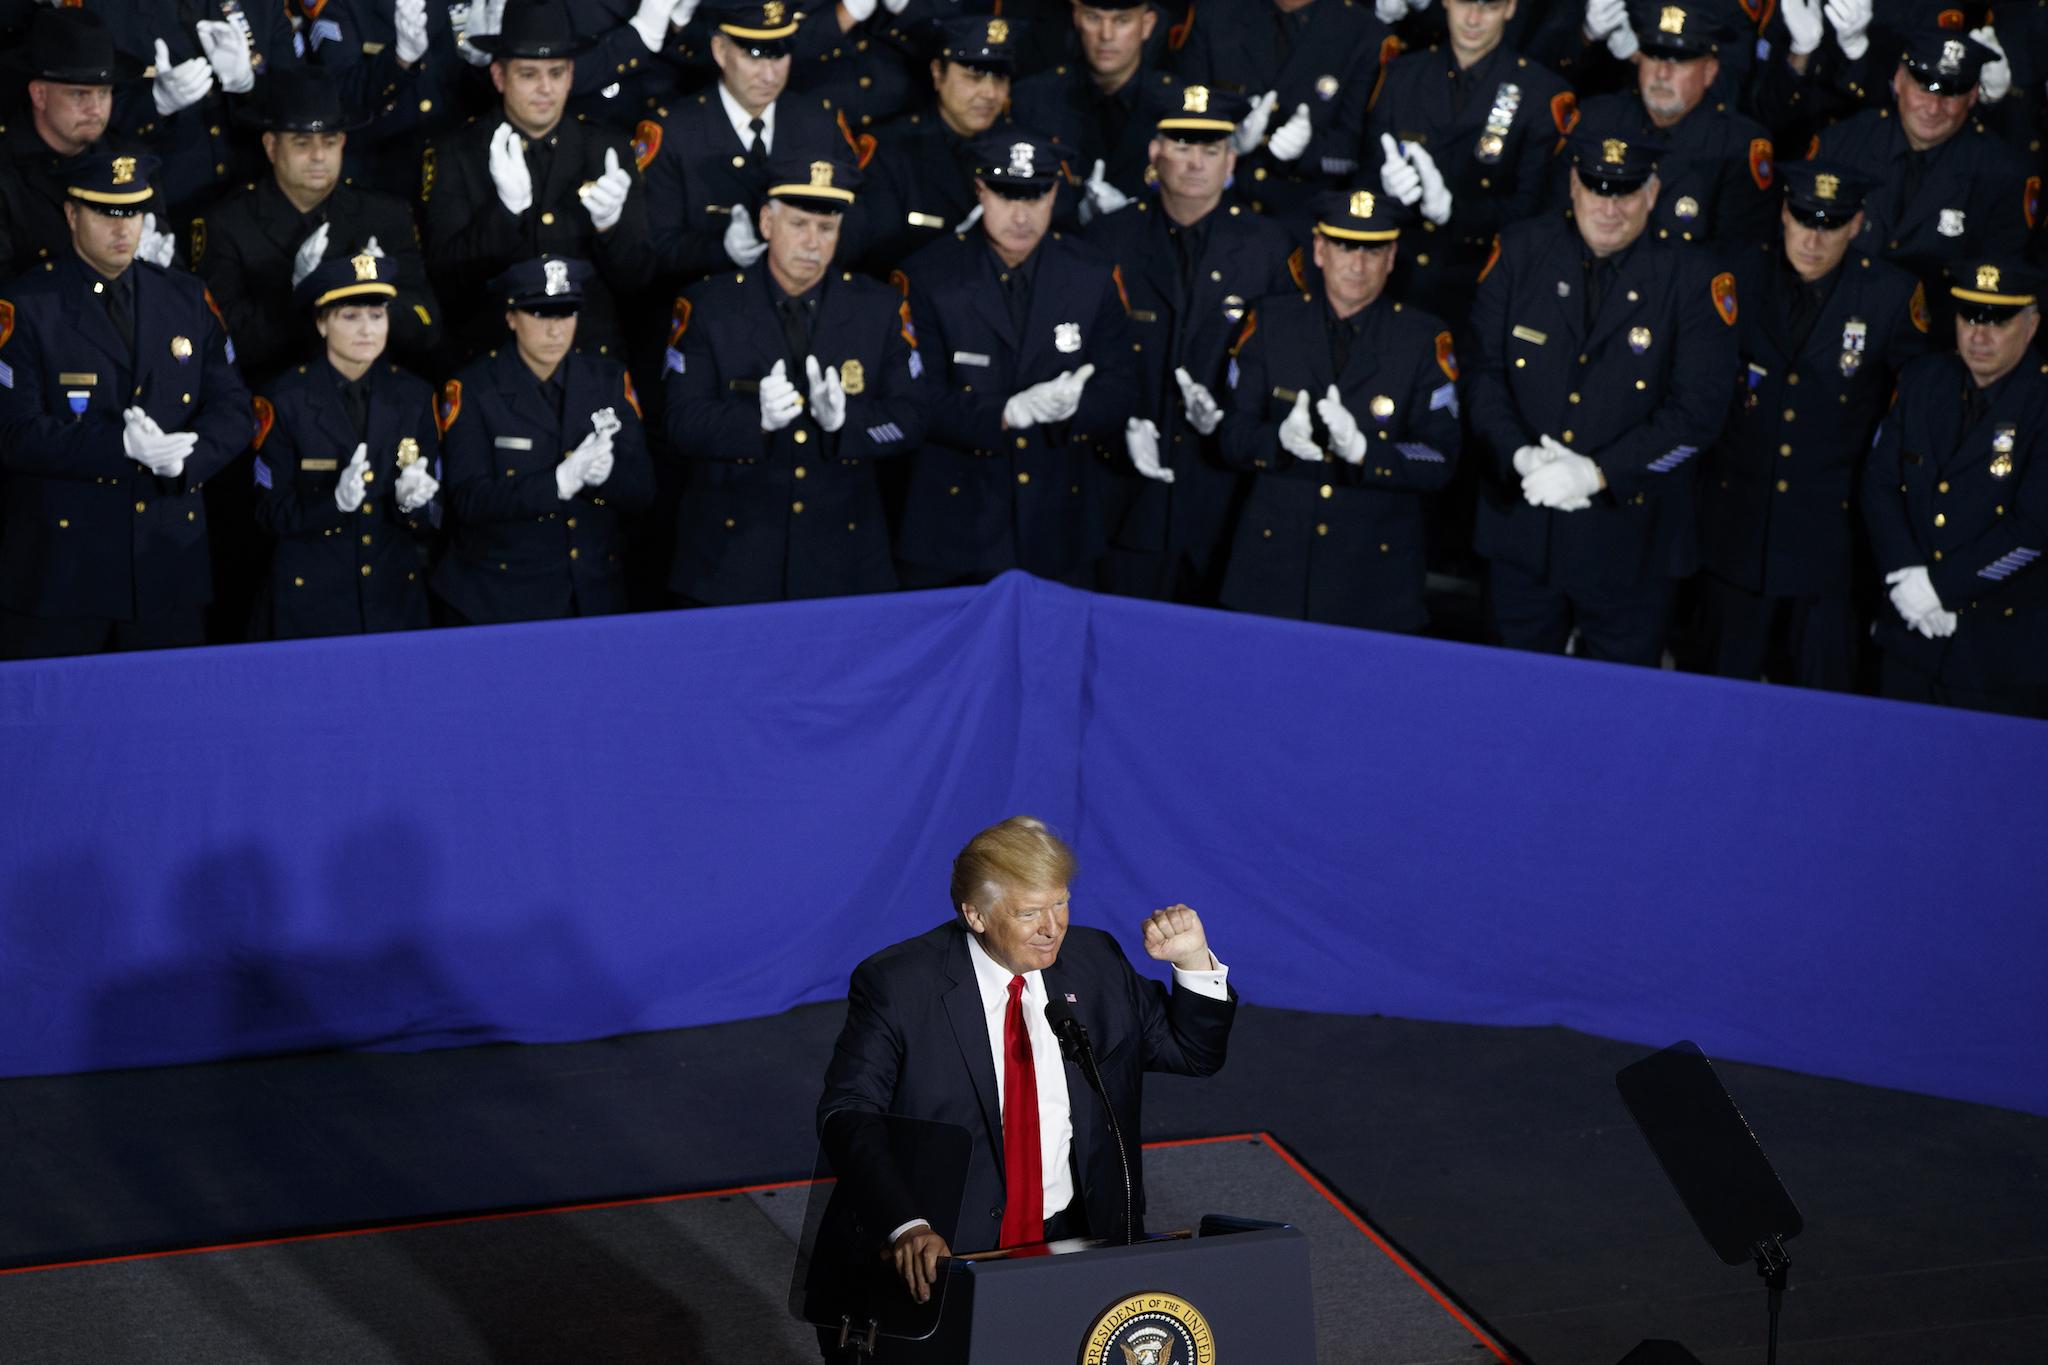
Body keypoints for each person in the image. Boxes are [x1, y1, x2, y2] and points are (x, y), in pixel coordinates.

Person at [815, 814, 1234, 1299]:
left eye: (1061, 904)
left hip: (1083, 1233)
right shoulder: (900, 985)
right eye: (1028, 913)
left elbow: (1192, 1054)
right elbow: (848, 1113)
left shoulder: (1096, 961)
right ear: (976, 915)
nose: (1052, 929)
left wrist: (1193, 959)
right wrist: (908, 1226)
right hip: (951, 1247)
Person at [1466, 121, 1739, 666]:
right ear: (1573, 186)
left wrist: (1597, 473)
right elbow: (1482, 374)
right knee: (1507, 702)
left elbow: (1699, 415)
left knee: (1618, 718)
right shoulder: (1521, 252)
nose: (1609, 207)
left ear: (1653, 194)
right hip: (1523, 529)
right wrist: (1518, 454)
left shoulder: (1694, 278)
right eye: (1597, 187)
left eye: (1627, 191)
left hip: (1631, 543)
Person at [0, 153, 252, 660]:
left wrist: (189, 457)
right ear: (72, 215)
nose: (123, 229)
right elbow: (14, 433)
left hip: (166, 564)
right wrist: (117, 445)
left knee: (169, 729)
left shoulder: (184, 296)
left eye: (133, 213)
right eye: (106, 213)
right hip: (65, 572)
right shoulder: (28, 306)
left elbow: (234, 407)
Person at [1693, 162, 1929, 689]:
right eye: (1804, 218)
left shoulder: (1889, 297)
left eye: (1831, 223)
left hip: (1829, 542)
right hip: (1735, 531)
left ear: (1856, 224)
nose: (1814, 238)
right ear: (1783, 212)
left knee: (1822, 708)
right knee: (1713, 700)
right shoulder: (1736, 275)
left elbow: (1911, 420)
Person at [662, 150, 926, 604]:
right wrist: (755, 422)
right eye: (798, 224)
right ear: (767, 223)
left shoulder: (879, 309)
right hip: (733, 556)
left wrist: (846, 424)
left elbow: (913, 418)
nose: (813, 243)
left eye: (827, 229)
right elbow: (679, 424)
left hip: (843, 556)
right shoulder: (709, 308)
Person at [892, 130, 1135, 588]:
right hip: (954, 526)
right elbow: (915, 398)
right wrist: (1004, 413)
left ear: (1055, 194)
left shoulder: (1092, 275)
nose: (1021, 215)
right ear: (980, 189)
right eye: (1006, 194)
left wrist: (1074, 409)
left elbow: (1121, 387)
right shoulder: (928, 276)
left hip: (1059, 522)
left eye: (1035, 194)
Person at [1084, 84, 1296, 604]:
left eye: (1211, 149)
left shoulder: (1268, 249)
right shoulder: (1108, 240)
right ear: (1155, 153)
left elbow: (1286, 366)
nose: (1196, 164)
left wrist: (1232, 421)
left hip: (1225, 497)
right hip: (1123, 493)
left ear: (1231, 160)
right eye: (1182, 146)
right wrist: (1113, 429)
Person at [1215, 188, 1461, 631]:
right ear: (1320, 249)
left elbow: (1441, 458)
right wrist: (1278, 442)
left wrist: (1369, 454)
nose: (1358, 264)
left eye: (1373, 249)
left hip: (1372, 581)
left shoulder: (1424, 339)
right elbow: (1231, 435)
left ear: (1391, 258)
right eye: (1345, 245)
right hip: (1272, 573)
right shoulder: (1271, 322)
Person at [1861, 259, 2048, 717]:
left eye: (1998, 321)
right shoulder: (1924, 380)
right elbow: (1880, 484)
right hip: (1909, 632)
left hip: (1997, 656)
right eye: (1969, 317)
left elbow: (2033, 528)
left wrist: (1941, 588)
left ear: (2031, 324)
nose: (1978, 336)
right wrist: (1906, 578)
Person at [431, 255, 654, 623]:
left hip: (593, 594)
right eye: (540, 314)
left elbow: (643, 490)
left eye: (566, 314)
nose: (556, 330)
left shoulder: (608, 380)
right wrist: (556, 484)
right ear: (511, 317)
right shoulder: (473, 388)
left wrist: (606, 477)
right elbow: (467, 500)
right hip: (502, 597)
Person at [421, 0, 653, 351]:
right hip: (494, 355)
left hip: (588, 355)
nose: (545, 88)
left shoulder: (607, 149)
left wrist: (611, 228)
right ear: (499, 76)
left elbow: (637, 282)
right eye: (528, 74)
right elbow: (447, 283)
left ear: (571, 75)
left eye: (556, 73)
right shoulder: (456, 153)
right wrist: (503, 215)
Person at [191, 71, 441, 386]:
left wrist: (380, 300)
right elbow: (226, 344)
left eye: (330, 142)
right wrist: (297, 295)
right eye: (302, 143)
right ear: (271, 146)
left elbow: (427, 327)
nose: (319, 156)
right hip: (273, 396)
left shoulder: (384, 216)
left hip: (371, 393)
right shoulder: (227, 224)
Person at [249, 252, 441, 640]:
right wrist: (333, 503)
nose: (366, 330)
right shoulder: (285, 400)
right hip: (312, 604)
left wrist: (413, 504)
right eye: (350, 317)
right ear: (322, 323)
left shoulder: (414, 396)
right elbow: (268, 513)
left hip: (394, 599)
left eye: (376, 315)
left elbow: (434, 516)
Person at [1364, 0, 1576, 329]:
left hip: (1476, 289)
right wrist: (1384, 192)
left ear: (1510, 8)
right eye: (1464, 2)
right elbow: (1362, 180)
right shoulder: (1402, 76)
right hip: (1395, 282)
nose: (1474, 19)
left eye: (1489, 7)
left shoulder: (1539, 94)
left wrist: (1455, 211)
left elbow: (1531, 209)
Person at [1811, 27, 2035, 304]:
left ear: (1974, 95)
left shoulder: (2001, 174)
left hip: (1933, 337)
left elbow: (1995, 286)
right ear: (1899, 80)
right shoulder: (1843, 144)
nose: (1933, 108)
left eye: (1950, 93)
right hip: (1838, 316)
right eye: (1923, 86)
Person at [633, 1, 838, 287]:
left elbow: (859, 222)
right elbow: (653, 248)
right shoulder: (674, 131)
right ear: (720, 50)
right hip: (711, 303)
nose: (769, 75)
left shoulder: (818, 121)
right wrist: (721, 250)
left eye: (779, 56)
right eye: (754, 56)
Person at [1561, 0, 1775, 258]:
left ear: (1709, 71)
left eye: (1680, 60)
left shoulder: (1737, 147)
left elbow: (1735, 262)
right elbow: (1556, 227)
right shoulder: (1596, 120)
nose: (1662, 73)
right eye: (1654, 55)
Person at [0, 9, 172, 283]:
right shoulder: (7, 171)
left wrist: (152, 275)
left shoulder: (132, 161)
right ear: (40, 95)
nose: (95, 109)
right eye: (79, 94)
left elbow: (171, 265)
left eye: (104, 93)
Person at [840, 15, 1017, 274]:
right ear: (937, 72)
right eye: (974, 77)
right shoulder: (889, 150)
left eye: (1000, 79)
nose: (990, 93)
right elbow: (873, 256)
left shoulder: (1021, 150)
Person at [1010, 0, 1184, 210]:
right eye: (1093, 18)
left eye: (1122, 21)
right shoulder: (1033, 99)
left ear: (1147, 25)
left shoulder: (1177, 105)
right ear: (1076, 18)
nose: (1106, 35)